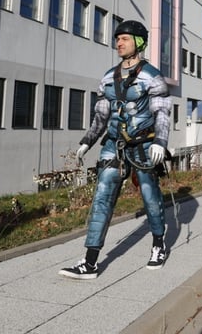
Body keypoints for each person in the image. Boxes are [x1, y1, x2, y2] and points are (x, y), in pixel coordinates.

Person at [59, 20, 172, 279]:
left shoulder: (152, 76)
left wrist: (160, 142)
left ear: (139, 42)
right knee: (102, 195)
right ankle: (90, 262)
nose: (118, 42)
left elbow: (162, 113)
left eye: (125, 38)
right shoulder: (108, 77)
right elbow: (101, 115)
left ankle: (158, 244)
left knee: (149, 194)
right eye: (117, 38)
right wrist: (87, 141)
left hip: (144, 144)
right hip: (114, 145)